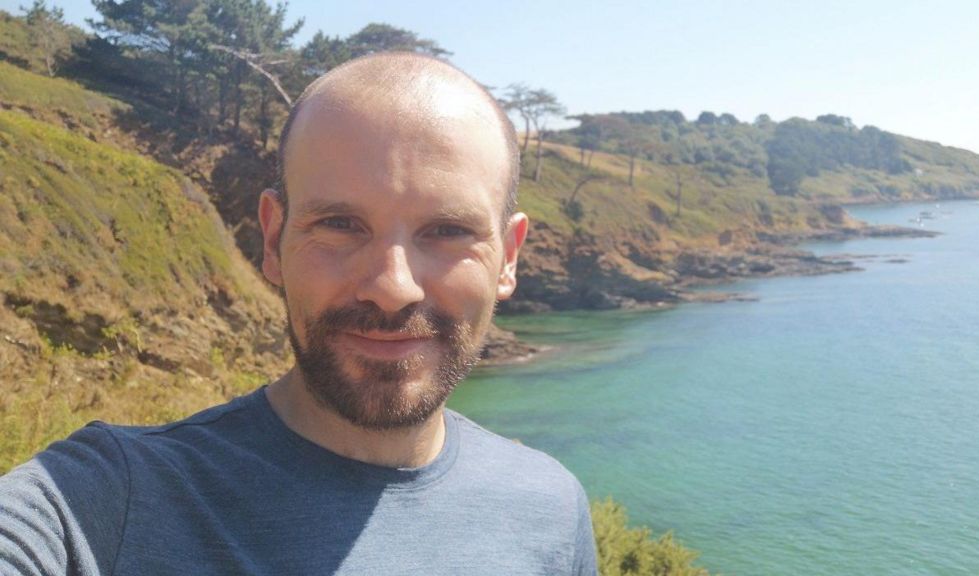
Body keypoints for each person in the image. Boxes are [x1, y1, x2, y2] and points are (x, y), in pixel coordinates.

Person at [0, 53, 597, 575]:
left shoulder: (550, 508)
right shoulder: (104, 503)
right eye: (339, 225)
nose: (393, 288)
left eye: (448, 231)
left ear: (509, 256)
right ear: (272, 238)